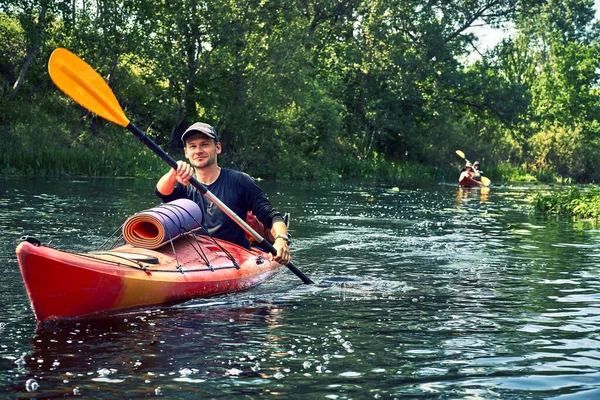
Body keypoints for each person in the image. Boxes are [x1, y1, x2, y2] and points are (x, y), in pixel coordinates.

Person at [155, 122, 291, 265]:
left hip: (236, 257)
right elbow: (162, 193)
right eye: (193, 146)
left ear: (217, 148)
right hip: (196, 254)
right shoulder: (185, 183)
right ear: (186, 152)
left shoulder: (239, 180)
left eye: (205, 144)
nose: (198, 150)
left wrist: (281, 239)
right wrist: (173, 173)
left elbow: (271, 215)